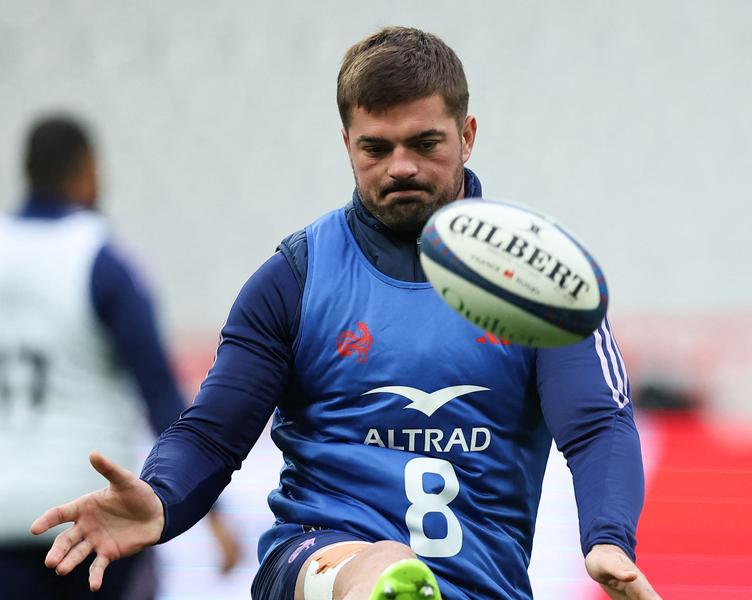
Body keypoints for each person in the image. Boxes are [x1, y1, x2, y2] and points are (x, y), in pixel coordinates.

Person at [31, 27, 659, 600]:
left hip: (479, 585)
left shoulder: (540, 281)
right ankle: (376, 580)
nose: (401, 166)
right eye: (376, 148)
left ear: (467, 135)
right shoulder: (295, 279)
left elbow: (599, 424)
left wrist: (608, 537)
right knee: (369, 569)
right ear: (346, 143)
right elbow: (210, 434)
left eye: (425, 143)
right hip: (315, 565)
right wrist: (162, 499)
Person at [1, 116, 240, 598]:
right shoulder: (101, 260)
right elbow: (158, 391)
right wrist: (214, 513)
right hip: (86, 515)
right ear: (88, 171)